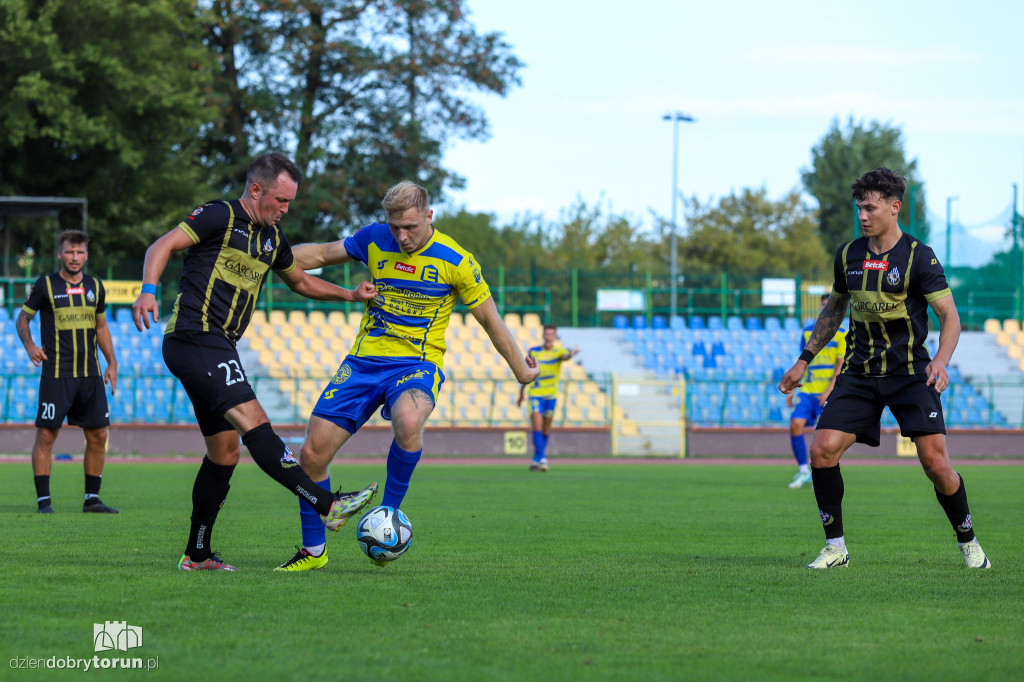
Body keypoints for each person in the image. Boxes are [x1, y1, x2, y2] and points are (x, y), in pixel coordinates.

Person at [273, 180, 540, 571]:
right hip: (365, 360)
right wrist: (267, 252)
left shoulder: (456, 260)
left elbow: (490, 319)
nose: (401, 236)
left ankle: (388, 515)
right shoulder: (374, 239)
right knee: (312, 454)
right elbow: (318, 254)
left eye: (410, 227)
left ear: (429, 216)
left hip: (416, 364)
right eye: (395, 226)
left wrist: (520, 369)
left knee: (410, 420)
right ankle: (313, 552)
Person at [131, 152, 379, 571]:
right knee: (255, 422)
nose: (285, 210)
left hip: (217, 346)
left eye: (290, 203)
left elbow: (300, 280)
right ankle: (327, 504)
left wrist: (350, 295)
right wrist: (148, 289)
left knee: (224, 454)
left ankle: (196, 554)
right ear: (257, 189)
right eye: (280, 201)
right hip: (195, 337)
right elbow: (162, 245)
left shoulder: (272, 240)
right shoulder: (218, 216)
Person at [778, 167, 990, 570]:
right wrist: (804, 359)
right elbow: (834, 310)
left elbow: (950, 316)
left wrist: (941, 362)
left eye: (871, 207)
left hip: (911, 375)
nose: (863, 215)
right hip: (859, 373)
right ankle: (835, 547)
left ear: (894, 208)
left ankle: (969, 540)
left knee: (936, 465)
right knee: (822, 451)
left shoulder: (918, 256)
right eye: (859, 207)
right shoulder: (848, 255)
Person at [17, 230, 119, 514]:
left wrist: (112, 362)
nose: (75, 258)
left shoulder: (96, 287)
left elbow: (101, 327)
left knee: (98, 435)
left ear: (86, 255)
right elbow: (22, 318)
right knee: (47, 436)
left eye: (80, 252)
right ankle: (44, 503)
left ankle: (92, 499)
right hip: (57, 374)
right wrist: (30, 346)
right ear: (60, 254)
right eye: (69, 252)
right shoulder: (45, 286)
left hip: (90, 374)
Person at [785, 295, 845, 489]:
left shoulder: (843, 334)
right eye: (823, 304)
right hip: (807, 391)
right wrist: (793, 390)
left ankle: (821, 473)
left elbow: (840, 366)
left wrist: (829, 391)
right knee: (795, 424)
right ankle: (804, 471)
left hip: (825, 393)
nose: (825, 307)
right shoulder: (807, 332)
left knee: (823, 438)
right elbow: (801, 362)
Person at [517, 324, 580, 472]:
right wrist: (521, 393)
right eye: (547, 334)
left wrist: (571, 354)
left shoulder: (559, 352)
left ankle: (536, 459)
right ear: (543, 335)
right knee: (537, 426)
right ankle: (543, 458)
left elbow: (565, 357)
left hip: (551, 396)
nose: (549, 337)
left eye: (552, 334)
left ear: (555, 337)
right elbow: (527, 373)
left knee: (545, 429)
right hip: (536, 395)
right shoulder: (534, 351)